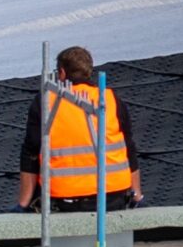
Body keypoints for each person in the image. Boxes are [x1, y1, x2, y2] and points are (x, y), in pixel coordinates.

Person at [16, 45, 147, 212]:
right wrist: (137, 197)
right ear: (88, 71)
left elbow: (31, 152)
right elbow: (129, 148)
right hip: (113, 195)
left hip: (63, 199)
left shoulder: (46, 101)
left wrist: (23, 204)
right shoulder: (109, 98)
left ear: (62, 73)